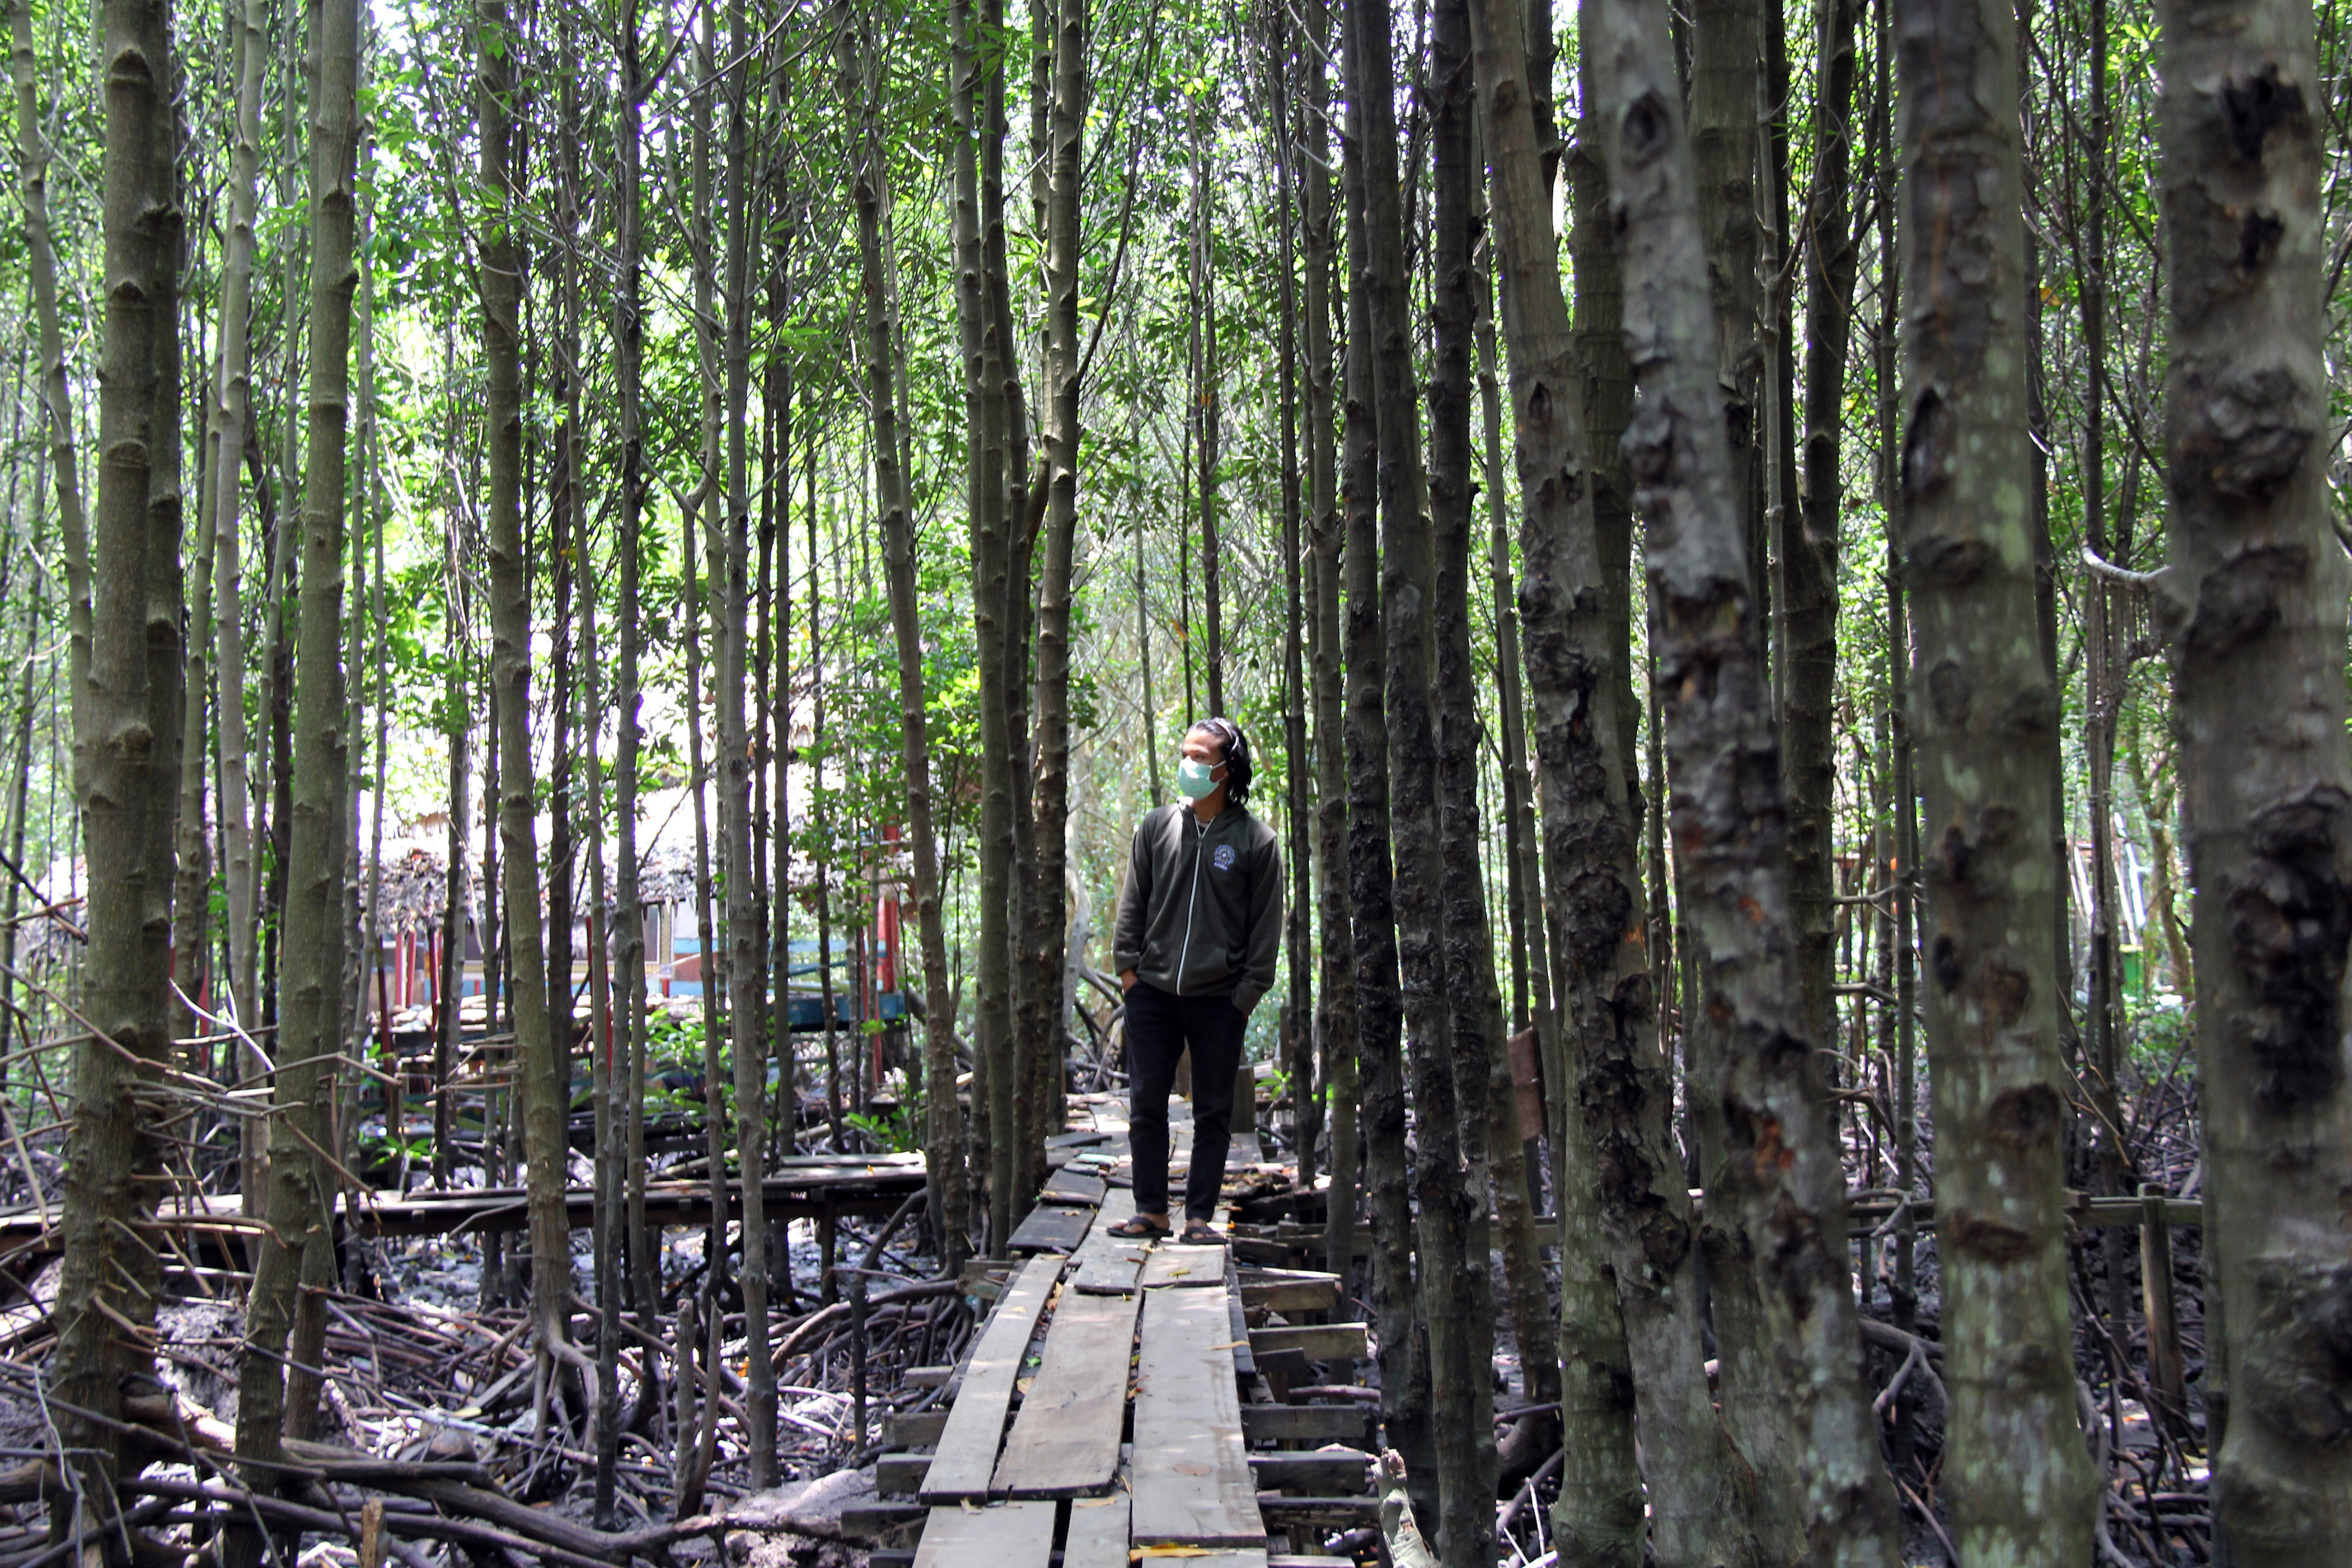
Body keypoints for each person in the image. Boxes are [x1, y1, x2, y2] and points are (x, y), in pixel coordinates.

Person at [1109, 717, 1283, 1243]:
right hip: (1153, 994)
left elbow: (1265, 926)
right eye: (1185, 754)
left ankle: (1200, 1218)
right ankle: (1151, 1211)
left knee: (1213, 1111)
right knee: (1146, 1105)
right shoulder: (1156, 828)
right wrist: (1129, 974)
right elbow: (1132, 906)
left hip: (1218, 1000)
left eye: (1200, 757)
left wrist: (1244, 997)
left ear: (1227, 769)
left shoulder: (1257, 842)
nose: (1188, 765)